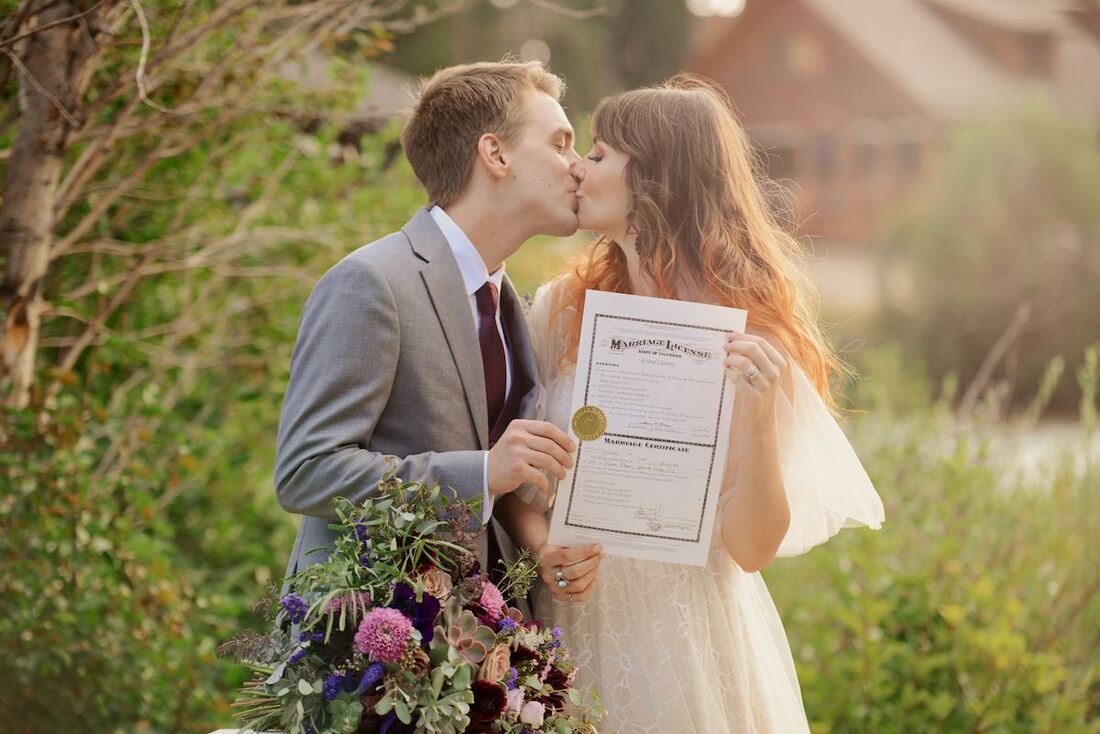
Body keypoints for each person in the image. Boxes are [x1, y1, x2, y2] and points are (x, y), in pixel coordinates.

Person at [498, 75, 885, 732]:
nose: (579, 170)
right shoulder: (563, 308)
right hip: (568, 628)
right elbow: (512, 468)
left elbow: (752, 547)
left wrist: (758, 421)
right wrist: (540, 546)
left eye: (598, 155)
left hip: (686, 643)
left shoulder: (748, 337)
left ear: (652, 179)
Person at [273, 60, 602, 601]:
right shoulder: (371, 282)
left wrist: (539, 549)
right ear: (495, 154)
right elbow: (307, 471)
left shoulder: (509, 302)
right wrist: (480, 473)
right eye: (561, 144)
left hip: (474, 650)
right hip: (365, 646)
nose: (579, 167)